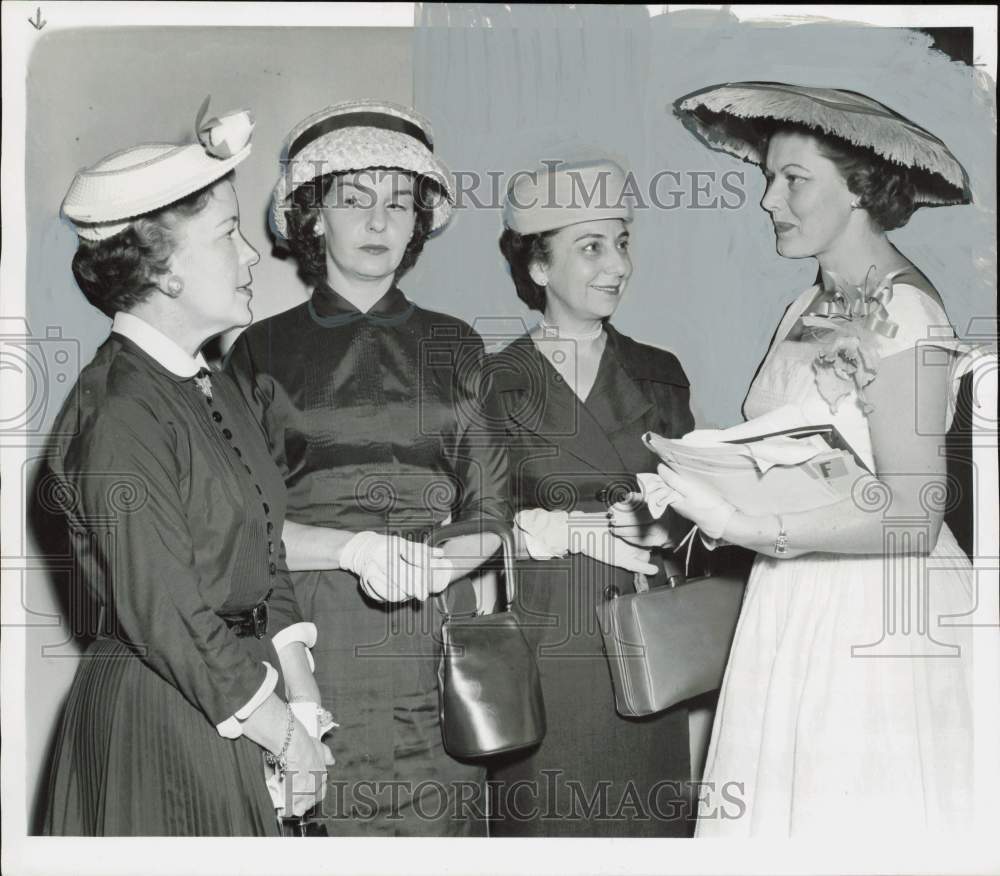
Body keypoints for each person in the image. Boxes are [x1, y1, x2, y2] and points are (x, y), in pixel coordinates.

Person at [665, 82, 981, 836]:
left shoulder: (908, 314)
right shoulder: (806, 305)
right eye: (767, 178)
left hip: (877, 613)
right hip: (795, 595)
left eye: (793, 180)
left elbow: (911, 516)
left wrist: (751, 527)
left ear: (861, 190)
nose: (769, 200)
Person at [42, 106, 331, 836]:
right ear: (164, 270)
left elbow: (266, 545)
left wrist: (301, 700)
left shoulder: (208, 381)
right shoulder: (121, 410)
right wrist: (284, 738)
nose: (251, 256)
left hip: (230, 702)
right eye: (227, 234)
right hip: (164, 715)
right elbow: (165, 614)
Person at [225, 100, 509, 836]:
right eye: (355, 200)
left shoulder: (457, 344)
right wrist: (354, 549)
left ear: (420, 222)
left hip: (433, 635)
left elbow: (489, 513)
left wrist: (435, 564)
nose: (380, 222)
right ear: (315, 218)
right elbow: (235, 527)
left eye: (400, 203)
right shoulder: (259, 352)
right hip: (306, 638)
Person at [486, 159, 697, 837]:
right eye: (592, 246)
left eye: (622, 241)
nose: (618, 265)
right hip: (545, 651)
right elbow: (464, 526)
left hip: (645, 646)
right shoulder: (491, 384)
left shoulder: (659, 374)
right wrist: (555, 530)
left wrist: (670, 522)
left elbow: (700, 527)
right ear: (539, 268)